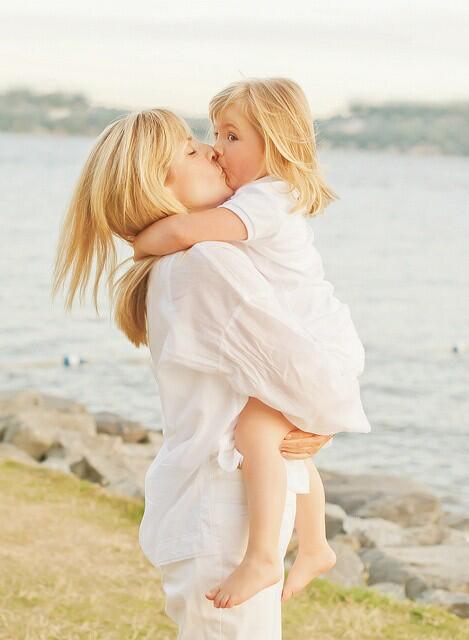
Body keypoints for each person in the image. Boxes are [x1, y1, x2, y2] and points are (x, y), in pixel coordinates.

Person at [52, 107, 333, 639]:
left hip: (218, 505)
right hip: (225, 512)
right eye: (189, 149)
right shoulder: (205, 262)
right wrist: (325, 416)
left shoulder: (177, 263)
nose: (211, 149)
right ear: (158, 184)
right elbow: (297, 365)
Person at [130, 78, 371, 608]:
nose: (216, 147)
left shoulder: (266, 198)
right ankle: (315, 545)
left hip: (321, 344)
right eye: (214, 134)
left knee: (255, 431)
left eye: (231, 136)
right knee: (277, 440)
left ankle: (264, 556)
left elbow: (183, 232)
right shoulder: (255, 202)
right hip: (322, 340)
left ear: (275, 145)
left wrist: (143, 239)